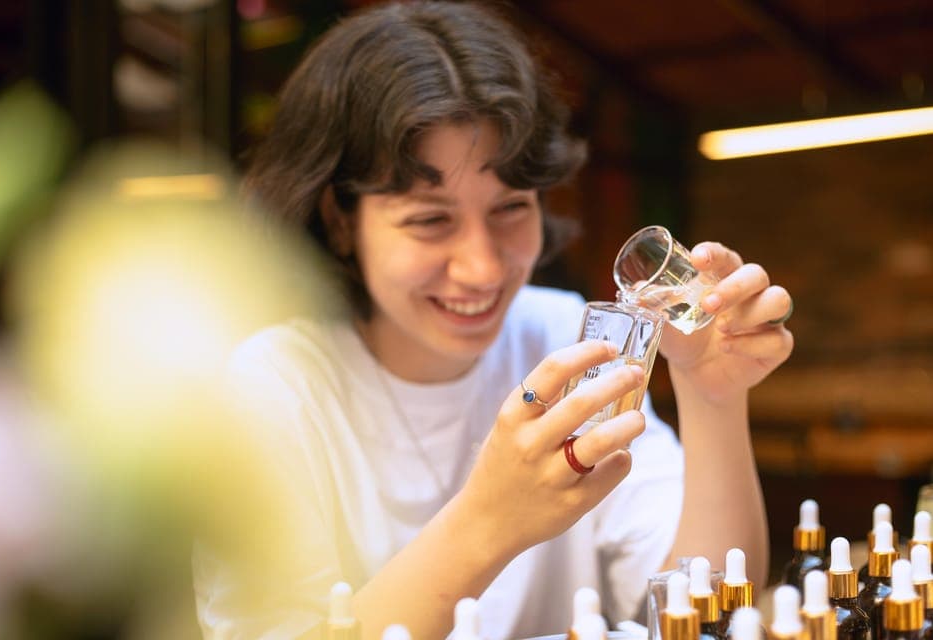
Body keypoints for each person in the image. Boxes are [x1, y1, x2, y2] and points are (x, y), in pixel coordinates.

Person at [193, 2, 794, 639]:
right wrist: (488, 523)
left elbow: (706, 608)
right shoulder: (274, 387)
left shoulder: (567, 337)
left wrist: (712, 398)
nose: (482, 268)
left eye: (510, 207)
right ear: (341, 221)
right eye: (430, 220)